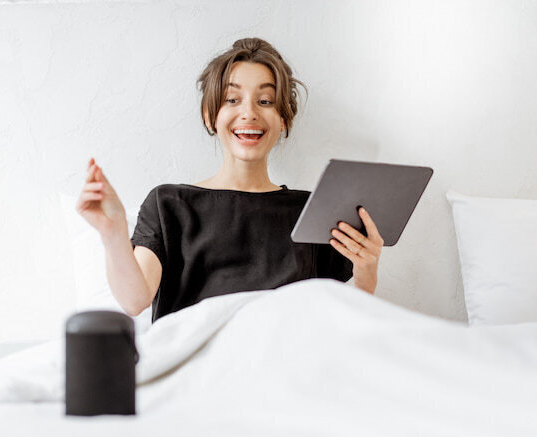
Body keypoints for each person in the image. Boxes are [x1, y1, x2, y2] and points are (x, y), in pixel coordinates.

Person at [76, 38, 384, 323]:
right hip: (200, 367)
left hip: (284, 363)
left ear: (284, 119)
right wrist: (113, 231)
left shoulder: (314, 211)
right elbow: (134, 300)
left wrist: (367, 271)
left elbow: (338, 322)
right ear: (211, 115)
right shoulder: (169, 204)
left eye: (265, 101)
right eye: (232, 99)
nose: (248, 113)